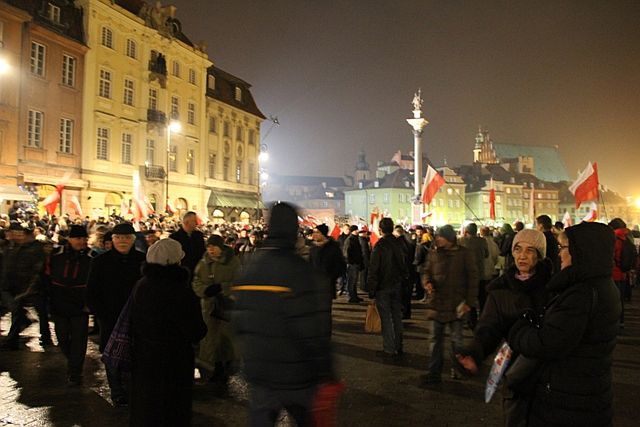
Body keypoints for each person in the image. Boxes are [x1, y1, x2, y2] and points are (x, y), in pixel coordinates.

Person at [508, 222, 621, 427]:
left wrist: (519, 330)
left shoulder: (582, 294)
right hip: (587, 392)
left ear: (581, 251)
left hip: (569, 399)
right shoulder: (602, 285)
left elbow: (548, 344)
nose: (559, 254)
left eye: (563, 248)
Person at [232, 202, 333, 426]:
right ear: (293, 230)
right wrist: (326, 370)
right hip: (297, 373)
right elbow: (313, 329)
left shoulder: (251, 267)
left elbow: (238, 321)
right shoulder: (299, 270)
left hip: (261, 373)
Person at [456, 229, 552, 425]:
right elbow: (488, 328)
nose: (522, 256)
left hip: (548, 373)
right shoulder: (500, 291)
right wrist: (475, 352)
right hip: (515, 373)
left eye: (530, 250)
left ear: (540, 255)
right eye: (518, 249)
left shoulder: (552, 288)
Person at [129, 238, 207, 427]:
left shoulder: (142, 285)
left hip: (145, 357)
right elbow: (195, 330)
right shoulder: (180, 291)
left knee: (147, 407)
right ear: (175, 261)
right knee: (172, 409)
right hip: (175, 360)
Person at [87, 222, 145, 406]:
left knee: (135, 351)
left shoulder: (142, 261)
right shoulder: (100, 262)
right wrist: (100, 313)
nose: (122, 241)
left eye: (126, 238)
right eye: (118, 238)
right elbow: (92, 290)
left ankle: (132, 386)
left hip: (136, 316)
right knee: (111, 352)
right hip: (110, 316)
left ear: (133, 240)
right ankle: (117, 390)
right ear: (112, 240)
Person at [420, 224, 478, 384]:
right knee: (435, 340)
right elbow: (426, 272)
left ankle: (457, 369)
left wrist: (469, 302)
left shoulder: (463, 254)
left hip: (456, 304)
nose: (437, 239)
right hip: (437, 304)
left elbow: (473, 279)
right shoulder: (433, 253)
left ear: (450, 238)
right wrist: (427, 283)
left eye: (441, 237)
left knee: (456, 341)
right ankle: (434, 372)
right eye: (437, 236)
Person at [45, 225, 93, 385]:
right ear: (70, 239)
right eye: (78, 238)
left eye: (84, 239)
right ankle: (73, 362)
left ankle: (75, 372)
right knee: (63, 338)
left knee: (79, 340)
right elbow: (45, 276)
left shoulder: (91, 257)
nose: (81, 241)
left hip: (80, 305)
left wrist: (90, 303)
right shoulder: (56, 255)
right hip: (59, 303)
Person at [192, 234, 241, 383]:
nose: (211, 250)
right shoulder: (203, 263)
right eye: (208, 247)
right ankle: (208, 371)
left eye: (213, 246)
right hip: (208, 307)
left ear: (221, 247)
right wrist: (205, 291)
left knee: (225, 339)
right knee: (209, 340)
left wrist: (222, 288)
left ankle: (225, 369)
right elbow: (196, 282)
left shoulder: (233, 263)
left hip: (227, 307)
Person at [0, 222, 47, 350]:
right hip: (14, 286)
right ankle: (17, 335)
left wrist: (30, 287)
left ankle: (14, 339)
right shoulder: (12, 247)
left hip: (27, 286)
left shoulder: (33, 248)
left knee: (38, 311)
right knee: (19, 311)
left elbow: (36, 269)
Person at [368, 218, 408, 358]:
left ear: (380, 229)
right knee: (397, 317)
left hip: (383, 286)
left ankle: (389, 348)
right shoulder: (399, 244)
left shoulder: (380, 246)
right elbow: (404, 265)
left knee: (386, 318)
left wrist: (371, 289)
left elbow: (374, 269)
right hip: (397, 285)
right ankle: (398, 345)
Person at [460, 223, 488, 328]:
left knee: (469, 299)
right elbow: (486, 254)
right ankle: (483, 319)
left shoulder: (462, 241)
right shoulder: (482, 241)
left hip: (467, 275)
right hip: (480, 273)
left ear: (467, 231)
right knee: (482, 299)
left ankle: (472, 321)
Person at [309, 224, 346, 300]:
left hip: (327, 285)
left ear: (323, 234)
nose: (314, 234)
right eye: (314, 232)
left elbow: (340, 265)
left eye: (317, 232)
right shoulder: (313, 248)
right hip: (314, 285)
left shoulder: (333, 248)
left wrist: (331, 277)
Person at [170, 211, 206, 276]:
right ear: (186, 222)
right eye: (194, 221)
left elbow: (203, 252)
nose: (197, 223)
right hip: (181, 273)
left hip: (197, 271)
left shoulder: (199, 235)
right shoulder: (174, 237)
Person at [343, 225, 364, 303]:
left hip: (355, 262)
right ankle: (351, 296)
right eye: (356, 230)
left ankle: (354, 295)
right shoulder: (350, 239)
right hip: (352, 264)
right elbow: (346, 253)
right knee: (351, 280)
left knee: (354, 280)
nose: (358, 231)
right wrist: (350, 262)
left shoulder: (355, 239)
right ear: (353, 231)